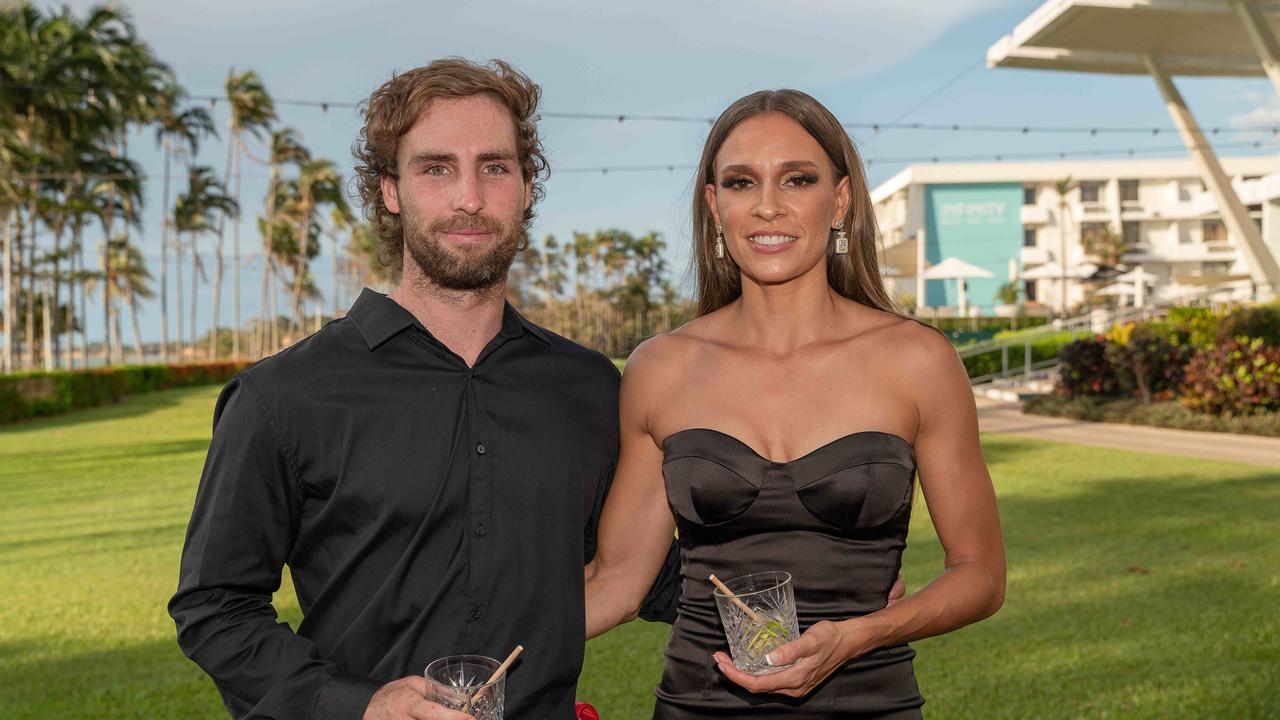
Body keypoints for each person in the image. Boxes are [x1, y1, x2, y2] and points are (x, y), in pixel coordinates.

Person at [169, 57, 672, 720]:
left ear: (526, 188)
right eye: (436, 168)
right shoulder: (282, 397)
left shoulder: (586, 388)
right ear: (390, 190)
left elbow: (650, 572)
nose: (470, 196)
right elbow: (215, 607)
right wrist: (361, 705)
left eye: (494, 167)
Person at [584, 89, 1006, 718]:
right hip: (699, 706)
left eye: (797, 179)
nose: (768, 207)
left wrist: (858, 635)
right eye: (740, 182)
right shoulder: (660, 369)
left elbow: (980, 573)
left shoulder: (918, 361)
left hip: (871, 701)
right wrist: (451, 641)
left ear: (840, 200)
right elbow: (615, 583)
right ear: (713, 205)